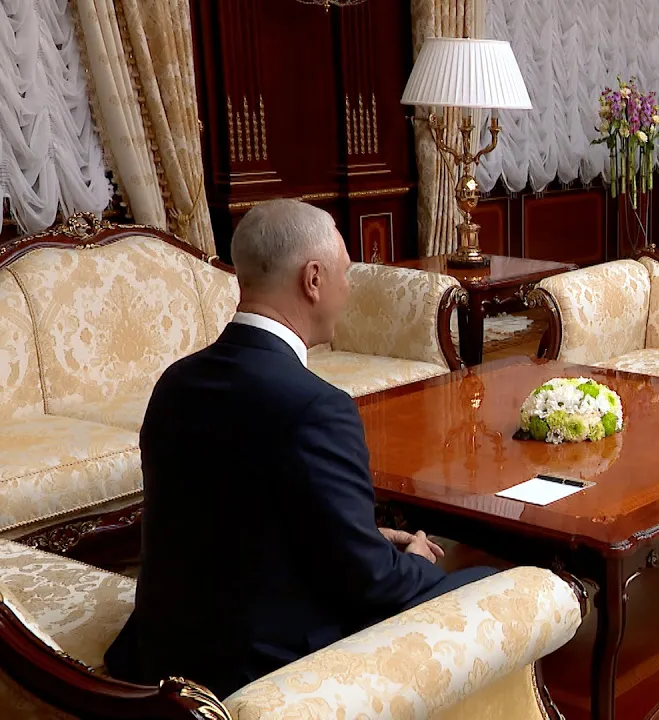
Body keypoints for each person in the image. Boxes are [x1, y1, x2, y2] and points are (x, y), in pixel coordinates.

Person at [104, 199, 496, 697]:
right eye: (344, 274)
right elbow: (371, 583)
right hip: (259, 672)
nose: (348, 288)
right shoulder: (318, 407)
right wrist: (415, 559)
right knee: (489, 584)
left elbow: (227, 520)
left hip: (158, 653)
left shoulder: (175, 383)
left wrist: (364, 536)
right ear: (313, 279)